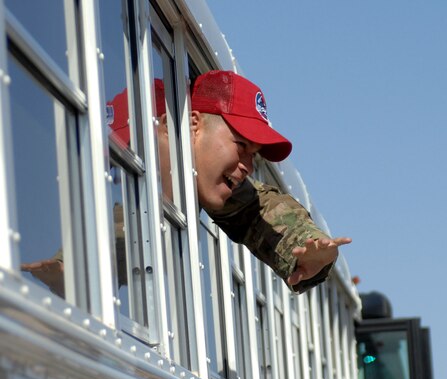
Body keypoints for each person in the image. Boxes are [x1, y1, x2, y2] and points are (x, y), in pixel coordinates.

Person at [22, 70, 351, 295]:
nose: (247, 167)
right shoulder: (59, 193)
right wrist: (70, 268)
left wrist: (311, 252)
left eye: (132, 158)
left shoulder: (208, 180)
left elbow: (260, 208)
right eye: (121, 161)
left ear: (174, 131)